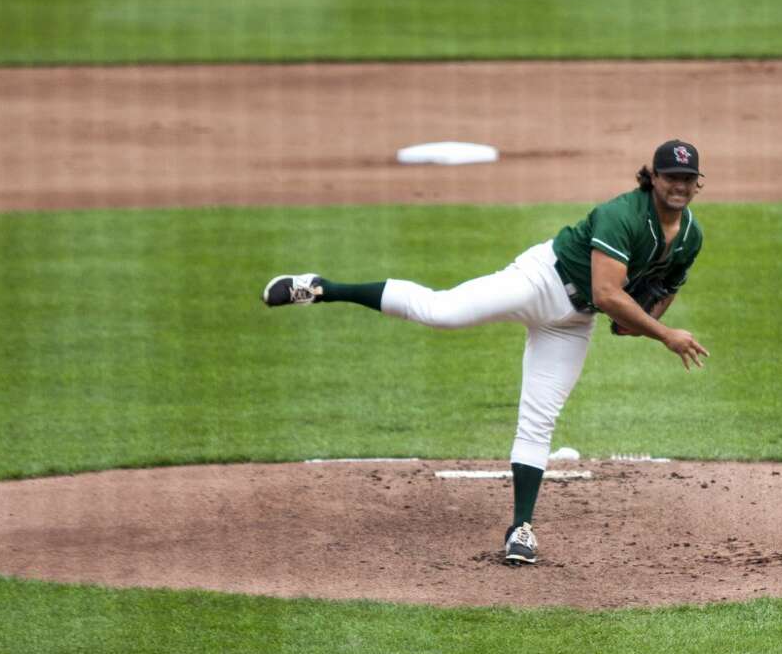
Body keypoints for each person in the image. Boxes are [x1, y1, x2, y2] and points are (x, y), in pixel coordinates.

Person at [261, 139, 708, 568]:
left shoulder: (690, 235)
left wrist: (642, 320)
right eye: (671, 176)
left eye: (687, 178)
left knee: (540, 417)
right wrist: (664, 334)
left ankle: (521, 529)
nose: (679, 186)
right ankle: (321, 288)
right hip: (541, 281)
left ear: (696, 182)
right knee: (442, 311)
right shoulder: (622, 214)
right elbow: (608, 292)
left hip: (573, 321)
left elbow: (664, 287)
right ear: (652, 176)